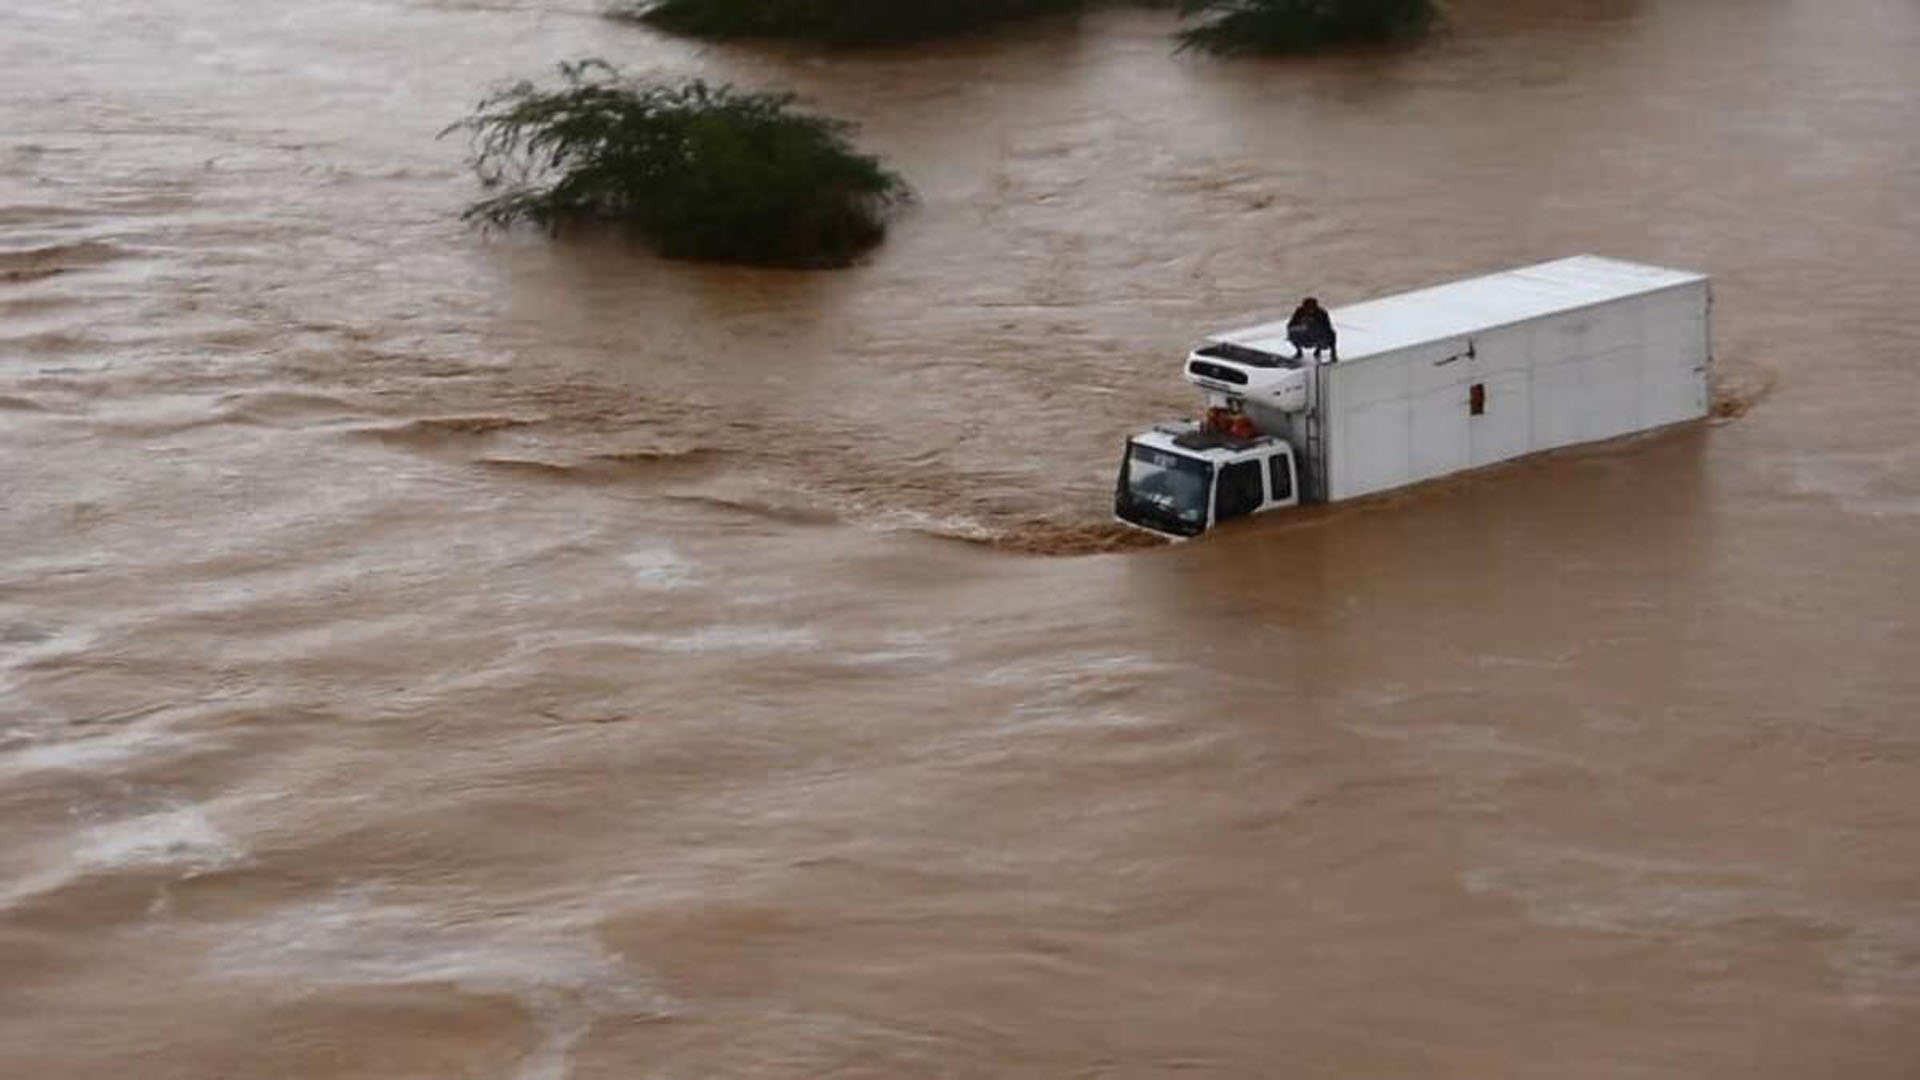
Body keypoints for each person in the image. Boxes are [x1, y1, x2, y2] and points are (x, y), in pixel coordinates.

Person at [1287, 296, 1336, 361]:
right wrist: (1300, 327)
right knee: (1292, 333)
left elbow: (1327, 327)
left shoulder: (1322, 313)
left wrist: (1313, 326)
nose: (1309, 310)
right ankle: (1299, 351)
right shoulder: (1299, 312)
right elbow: (1290, 325)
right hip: (1303, 335)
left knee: (1332, 335)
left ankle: (1329, 353)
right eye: (1307, 308)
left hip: (1317, 335)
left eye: (1312, 308)